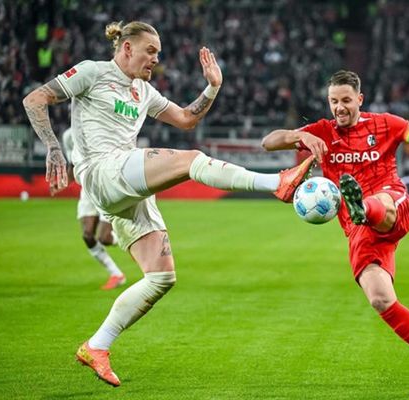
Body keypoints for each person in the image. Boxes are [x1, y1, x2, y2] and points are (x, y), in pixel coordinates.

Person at [23, 20, 314, 386]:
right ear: (127, 48)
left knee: (161, 277)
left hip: (124, 184)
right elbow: (35, 99)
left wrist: (212, 87)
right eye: (150, 51)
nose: (156, 59)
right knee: (191, 160)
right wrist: (53, 147)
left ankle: (97, 346)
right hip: (101, 170)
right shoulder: (92, 72)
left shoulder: (143, 91)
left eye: (158, 53)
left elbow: (187, 119)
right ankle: (276, 183)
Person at [261, 70, 409, 392]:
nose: (339, 107)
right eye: (333, 101)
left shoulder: (387, 124)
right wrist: (296, 136)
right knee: (381, 299)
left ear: (360, 99)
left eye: (346, 100)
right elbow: (268, 142)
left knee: (380, 203)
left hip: (391, 204)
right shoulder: (321, 131)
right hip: (359, 230)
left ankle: (362, 205)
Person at [62, 127, 126, 290]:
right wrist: (64, 180)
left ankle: (130, 241)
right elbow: (72, 163)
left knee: (104, 238)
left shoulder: (102, 126)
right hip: (88, 189)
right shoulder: (68, 136)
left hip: (108, 185)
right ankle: (116, 274)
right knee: (87, 235)